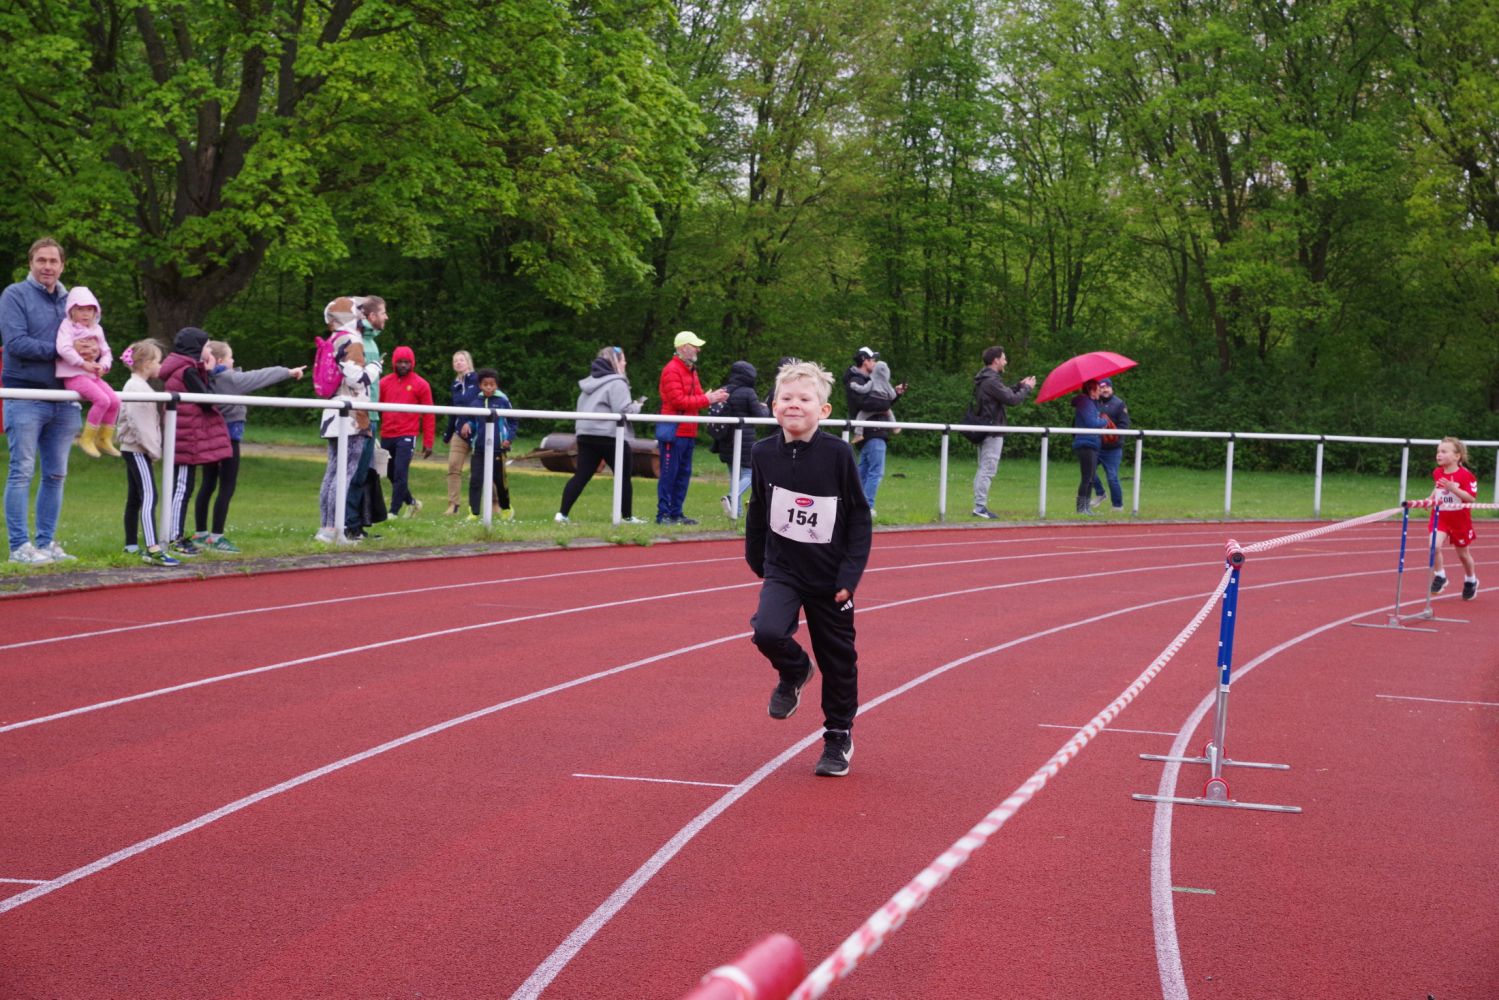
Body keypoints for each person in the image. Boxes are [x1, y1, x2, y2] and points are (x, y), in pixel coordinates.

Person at [746, 359, 873, 777]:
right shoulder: (763, 453)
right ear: (773, 407)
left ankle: (837, 736)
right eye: (786, 398)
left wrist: (849, 576)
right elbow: (759, 507)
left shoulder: (837, 454)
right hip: (783, 569)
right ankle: (795, 669)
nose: (794, 405)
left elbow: (858, 516)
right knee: (767, 631)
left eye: (805, 399)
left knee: (838, 660)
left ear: (824, 410)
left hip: (830, 577)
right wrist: (757, 558)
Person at [2, 237, 81, 565]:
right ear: (31, 263)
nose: (47, 266)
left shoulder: (73, 301)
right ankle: (19, 547)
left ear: (62, 265)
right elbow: (16, 343)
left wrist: (91, 353)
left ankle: (46, 543)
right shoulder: (14, 294)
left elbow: (87, 336)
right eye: (41, 260)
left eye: (53, 261)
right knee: (21, 471)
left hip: (65, 397)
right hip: (25, 395)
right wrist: (65, 352)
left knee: (56, 475)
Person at [193, 340, 304, 552]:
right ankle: (216, 537)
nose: (234, 361)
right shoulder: (229, 379)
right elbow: (259, 376)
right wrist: (287, 372)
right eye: (230, 357)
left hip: (209, 438)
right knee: (227, 486)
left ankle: (200, 533)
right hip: (228, 438)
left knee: (207, 485)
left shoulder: (204, 378)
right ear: (220, 360)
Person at [158, 327, 234, 556]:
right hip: (185, 438)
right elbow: (205, 400)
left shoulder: (184, 368)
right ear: (196, 347)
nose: (209, 350)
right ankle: (174, 537)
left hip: (184, 435)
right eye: (206, 345)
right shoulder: (187, 370)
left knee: (183, 487)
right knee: (182, 489)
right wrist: (207, 372)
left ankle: (175, 535)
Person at [556, 346, 647, 524]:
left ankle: (562, 514)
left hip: (585, 434)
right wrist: (637, 406)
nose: (626, 363)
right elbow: (624, 410)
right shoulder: (618, 383)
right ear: (616, 362)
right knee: (623, 476)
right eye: (623, 359)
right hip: (610, 436)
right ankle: (627, 517)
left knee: (581, 475)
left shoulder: (588, 383)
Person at [115, 340, 179, 566]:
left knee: (135, 497)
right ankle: (153, 547)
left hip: (134, 448)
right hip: (137, 449)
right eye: (158, 361)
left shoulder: (139, 385)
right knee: (150, 495)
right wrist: (154, 451)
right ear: (146, 363)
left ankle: (131, 545)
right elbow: (140, 425)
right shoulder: (137, 388)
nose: (160, 366)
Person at [656, 330, 729, 525]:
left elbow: (697, 397)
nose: (698, 349)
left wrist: (713, 397)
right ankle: (663, 514)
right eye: (694, 345)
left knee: (683, 474)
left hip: (688, 430)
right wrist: (708, 399)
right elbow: (678, 401)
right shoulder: (672, 370)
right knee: (669, 474)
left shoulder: (691, 369)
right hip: (674, 431)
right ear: (682, 348)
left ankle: (676, 513)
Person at [316, 318, 373, 543]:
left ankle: (326, 527)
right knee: (344, 473)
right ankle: (333, 529)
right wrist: (375, 368)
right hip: (351, 417)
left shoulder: (334, 339)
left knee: (332, 472)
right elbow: (357, 380)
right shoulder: (352, 340)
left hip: (333, 412)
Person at [54, 286, 122, 458]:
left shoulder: (97, 329)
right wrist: (82, 363)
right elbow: (63, 348)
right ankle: (86, 438)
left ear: (95, 311)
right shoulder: (67, 326)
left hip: (92, 375)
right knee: (102, 400)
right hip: (73, 375)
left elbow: (106, 351)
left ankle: (104, 438)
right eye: (80, 309)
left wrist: (103, 366)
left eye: (90, 310)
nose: (86, 314)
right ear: (71, 310)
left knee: (115, 401)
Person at [970, 345, 1035, 520]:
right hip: (992, 431)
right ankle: (980, 507)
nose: (1006, 362)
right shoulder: (991, 380)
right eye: (1004, 358)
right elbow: (1012, 400)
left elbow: (1004, 394)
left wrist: (1019, 386)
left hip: (987, 428)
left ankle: (979, 505)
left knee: (984, 469)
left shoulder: (986, 379)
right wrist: (1027, 389)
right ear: (996, 360)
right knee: (987, 470)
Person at [841, 347, 906, 517]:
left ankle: (855, 506)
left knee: (863, 471)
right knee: (875, 471)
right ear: (865, 361)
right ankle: (866, 507)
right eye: (873, 360)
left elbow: (880, 403)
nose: (875, 363)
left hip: (872, 432)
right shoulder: (856, 381)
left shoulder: (868, 380)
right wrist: (885, 403)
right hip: (872, 432)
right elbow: (867, 405)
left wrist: (896, 394)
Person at [344, 296, 388, 538]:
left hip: (371, 414)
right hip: (360, 416)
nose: (386, 317)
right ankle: (348, 525)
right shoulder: (357, 341)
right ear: (371, 316)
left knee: (363, 474)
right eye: (383, 312)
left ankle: (356, 524)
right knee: (355, 473)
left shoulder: (370, 341)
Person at [378, 345, 436, 518]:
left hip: (407, 435)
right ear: (394, 363)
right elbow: (375, 407)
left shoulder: (421, 384)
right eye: (400, 362)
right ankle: (412, 503)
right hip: (387, 434)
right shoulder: (384, 383)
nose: (403, 365)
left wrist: (428, 442)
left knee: (400, 473)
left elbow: (429, 414)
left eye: (407, 362)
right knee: (389, 472)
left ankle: (393, 512)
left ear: (412, 363)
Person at [1427, 436, 1480, 601]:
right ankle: (1440, 575)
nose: (1439, 454)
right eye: (1438, 451)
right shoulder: (1437, 472)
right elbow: (1437, 487)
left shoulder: (1466, 476)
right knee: (1434, 546)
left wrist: (1453, 489)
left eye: (1444, 451)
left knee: (1463, 555)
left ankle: (1471, 580)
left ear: (1457, 456)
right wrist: (1430, 499)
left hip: (1459, 520)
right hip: (1440, 517)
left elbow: (1471, 499)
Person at [716, 360, 769, 518]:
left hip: (725, 440)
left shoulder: (724, 390)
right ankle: (731, 497)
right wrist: (765, 409)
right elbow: (760, 417)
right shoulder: (748, 392)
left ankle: (736, 513)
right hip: (745, 440)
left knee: (735, 477)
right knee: (752, 474)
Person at [462, 367, 516, 520]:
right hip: (479, 449)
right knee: (475, 480)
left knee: (500, 481)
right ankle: (473, 512)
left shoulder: (503, 401)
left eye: (492, 384)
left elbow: (513, 422)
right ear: (480, 385)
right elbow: (473, 421)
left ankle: (506, 508)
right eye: (485, 384)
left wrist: (508, 439)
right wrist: (468, 425)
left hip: (498, 449)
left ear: (496, 385)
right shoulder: (476, 403)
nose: (489, 387)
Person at [442, 350, 480, 514]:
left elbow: (480, 403)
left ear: (468, 362)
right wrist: (448, 433)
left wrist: (471, 422)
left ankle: (494, 504)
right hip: (459, 433)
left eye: (461, 360)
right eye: (455, 360)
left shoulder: (478, 380)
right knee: (453, 467)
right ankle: (453, 505)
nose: (458, 363)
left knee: (481, 470)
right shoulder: (455, 385)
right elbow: (454, 410)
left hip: (478, 432)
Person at [1090, 377, 1130, 512]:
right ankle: (1100, 493)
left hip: (1113, 449)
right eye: (1102, 388)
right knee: (1088, 470)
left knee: (1112, 478)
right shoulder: (1094, 402)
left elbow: (1124, 425)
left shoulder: (1119, 404)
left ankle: (1117, 506)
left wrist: (1113, 436)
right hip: (1096, 445)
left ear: (1111, 388)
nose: (1105, 390)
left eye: (1107, 387)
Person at [1070, 379, 1108, 516]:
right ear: (1091, 391)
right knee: (1087, 477)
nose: (1100, 392)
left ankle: (1086, 508)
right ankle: (1081, 509)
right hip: (1086, 443)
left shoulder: (1091, 403)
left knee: (1090, 477)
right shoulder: (1085, 402)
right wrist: (1104, 421)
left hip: (1092, 442)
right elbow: (1091, 422)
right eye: (1098, 389)